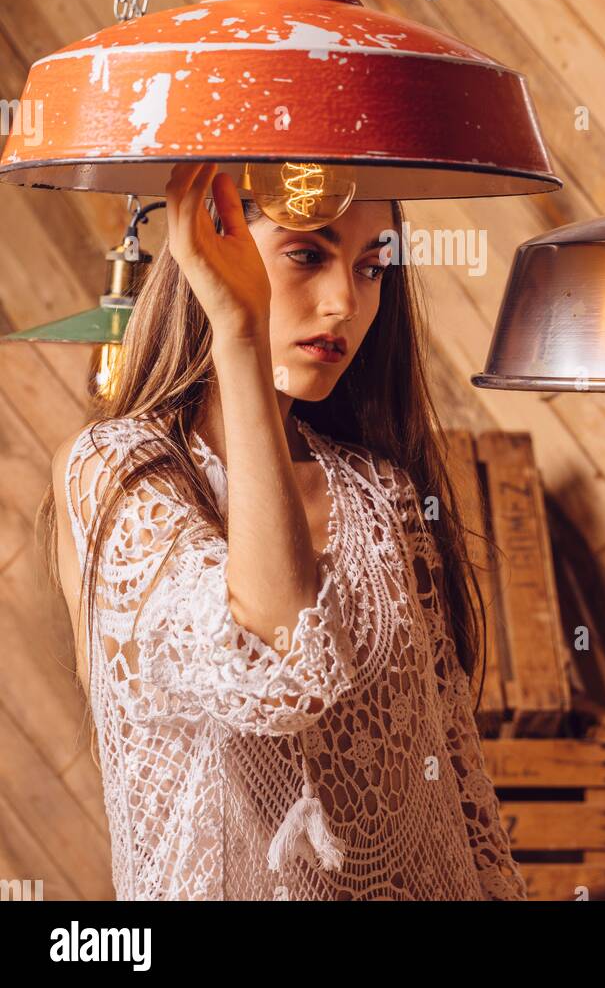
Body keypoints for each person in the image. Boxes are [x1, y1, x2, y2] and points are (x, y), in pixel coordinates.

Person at [42, 160, 528, 901]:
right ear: (208, 254)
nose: (344, 302)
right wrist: (236, 333)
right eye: (308, 254)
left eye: (372, 269)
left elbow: (460, 794)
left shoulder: (383, 491)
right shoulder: (116, 472)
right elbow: (274, 667)